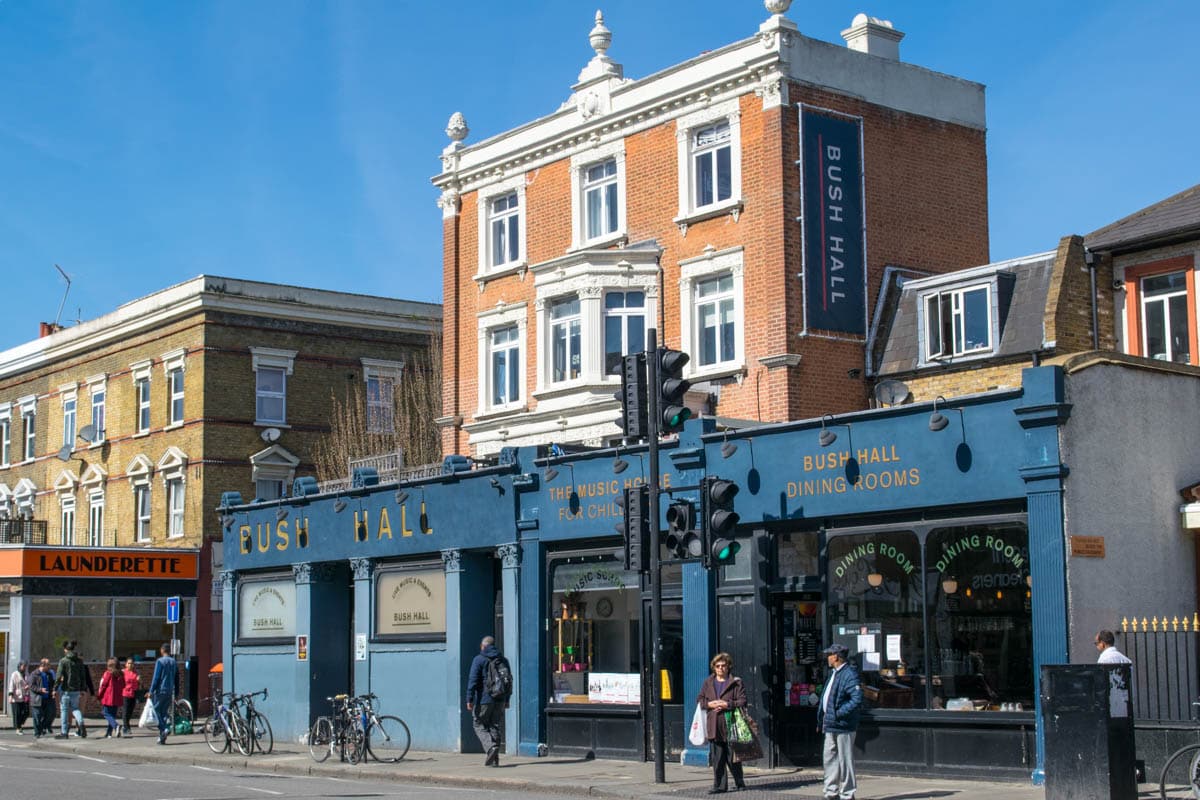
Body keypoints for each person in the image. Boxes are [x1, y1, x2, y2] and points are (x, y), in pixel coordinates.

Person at [697, 652, 748, 794]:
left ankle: (740, 783)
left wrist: (727, 704)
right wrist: (710, 704)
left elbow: (742, 701)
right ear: (714, 667)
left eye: (723, 665)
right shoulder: (708, 682)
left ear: (728, 666)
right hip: (714, 725)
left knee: (734, 758)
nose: (720, 668)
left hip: (731, 724)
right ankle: (719, 786)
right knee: (717, 759)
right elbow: (700, 700)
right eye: (717, 666)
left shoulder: (736, 682)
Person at [818, 644, 863, 800]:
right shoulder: (834, 673)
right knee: (829, 758)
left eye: (829, 655)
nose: (827, 658)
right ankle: (831, 792)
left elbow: (856, 699)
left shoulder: (848, 674)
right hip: (830, 724)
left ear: (836, 656)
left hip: (843, 725)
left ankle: (847, 793)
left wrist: (839, 713)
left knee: (845, 760)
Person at [465, 635, 510, 767]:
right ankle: (494, 759)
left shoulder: (479, 659)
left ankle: (491, 748)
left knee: (478, 724)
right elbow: (508, 681)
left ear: (483, 646)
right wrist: (507, 699)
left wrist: (469, 698)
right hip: (500, 698)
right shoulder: (503, 660)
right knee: (494, 725)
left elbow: (473, 680)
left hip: (484, 699)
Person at [54, 641, 93, 739]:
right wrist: (83, 688)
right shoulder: (79, 661)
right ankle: (81, 723)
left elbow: (58, 676)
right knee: (75, 708)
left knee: (64, 710)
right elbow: (83, 676)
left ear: (66, 650)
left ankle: (64, 732)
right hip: (76, 690)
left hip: (65, 689)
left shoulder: (63, 661)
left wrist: (55, 688)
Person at [149, 643, 177, 745]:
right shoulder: (173, 661)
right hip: (169, 690)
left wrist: (151, 691)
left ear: (162, 650)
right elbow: (176, 677)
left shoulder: (160, 661)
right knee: (164, 713)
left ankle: (164, 729)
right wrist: (176, 691)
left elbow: (156, 678)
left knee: (156, 711)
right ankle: (162, 738)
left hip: (160, 690)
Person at [97, 657, 126, 738]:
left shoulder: (108, 673)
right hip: (117, 697)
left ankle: (116, 726)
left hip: (108, 697)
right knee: (112, 715)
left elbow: (103, 686)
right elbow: (124, 685)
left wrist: (99, 696)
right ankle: (109, 732)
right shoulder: (121, 674)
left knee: (105, 713)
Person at [29, 659, 55, 737]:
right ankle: (37, 733)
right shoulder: (34, 674)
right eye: (48, 665)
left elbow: (52, 684)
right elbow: (31, 686)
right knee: (37, 716)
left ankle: (43, 727)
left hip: (48, 698)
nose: (49, 666)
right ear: (43, 665)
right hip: (37, 699)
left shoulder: (49, 674)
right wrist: (40, 690)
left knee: (50, 714)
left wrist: (53, 691)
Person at [7, 661, 30, 734]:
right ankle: (18, 728)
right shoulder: (15, 674)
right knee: (17, 713)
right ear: (19, 666)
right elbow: (11, 685)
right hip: (16, 697)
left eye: (25, 666)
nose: (24, 667)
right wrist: (10, 695)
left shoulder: (26, 674)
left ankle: (20, 724)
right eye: (23, 666)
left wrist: (28, 686)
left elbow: (29, 682)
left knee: (26, 712)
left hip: (24, 696)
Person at [121, 657, 141, 736]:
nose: (130, 665)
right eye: (129, 663)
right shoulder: (123, 672)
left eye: (132, 663)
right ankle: (126, 728)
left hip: (133, 693)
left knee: (130, 711)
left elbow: (140, 684)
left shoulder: (136, 672)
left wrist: (140, 680)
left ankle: (126, 725)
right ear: (126, 664)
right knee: (125, 711)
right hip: (125, 693)